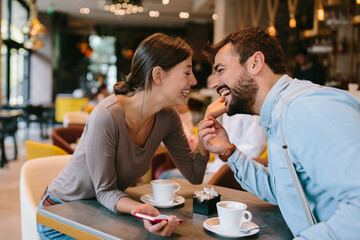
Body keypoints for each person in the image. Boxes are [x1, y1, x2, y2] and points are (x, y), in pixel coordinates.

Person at [37, 33, 209, 239]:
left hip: (101, 211)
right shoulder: (107, 115)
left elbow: (194, 174)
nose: (194, 80)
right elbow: (105, 191)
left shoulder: (168, 116)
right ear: (158, 75)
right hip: (61, 214)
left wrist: (205, 136)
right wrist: (142, 210)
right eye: (187, 72)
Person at [197, 27, 360, 239]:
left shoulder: (305, 109)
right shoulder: (279, 114)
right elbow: (284, 190)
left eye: (220, 70)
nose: (213, 83)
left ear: (255, 63)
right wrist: (229, 152)